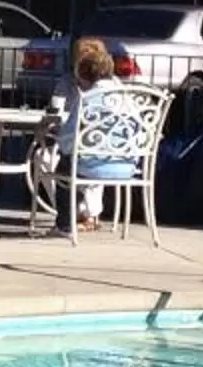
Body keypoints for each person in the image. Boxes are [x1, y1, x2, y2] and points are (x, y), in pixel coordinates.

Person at [58, 37, 143, 231]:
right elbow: (139, 131)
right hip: (127, 165)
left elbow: (68, 138)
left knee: (63, 164)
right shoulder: (126, 98)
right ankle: (86, 214)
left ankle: (65, 222)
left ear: (82, 75)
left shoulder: (87, 99)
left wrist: (64, 146)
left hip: (92, 166)